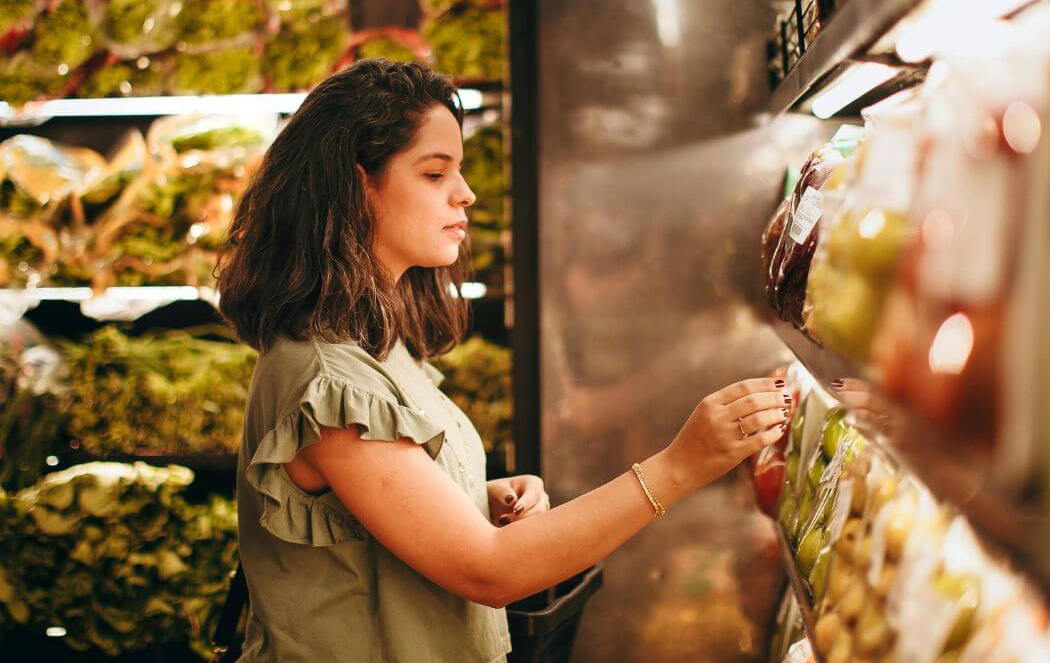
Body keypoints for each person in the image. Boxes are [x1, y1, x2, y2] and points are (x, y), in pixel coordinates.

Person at [217, 59, 791, 663]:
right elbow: (489, 571)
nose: (465, 193)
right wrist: (682, 465)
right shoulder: (328, 381)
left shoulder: (376, 349)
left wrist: (473, 499)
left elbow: (364, 516)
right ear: (358, 187)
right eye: (435, 173)